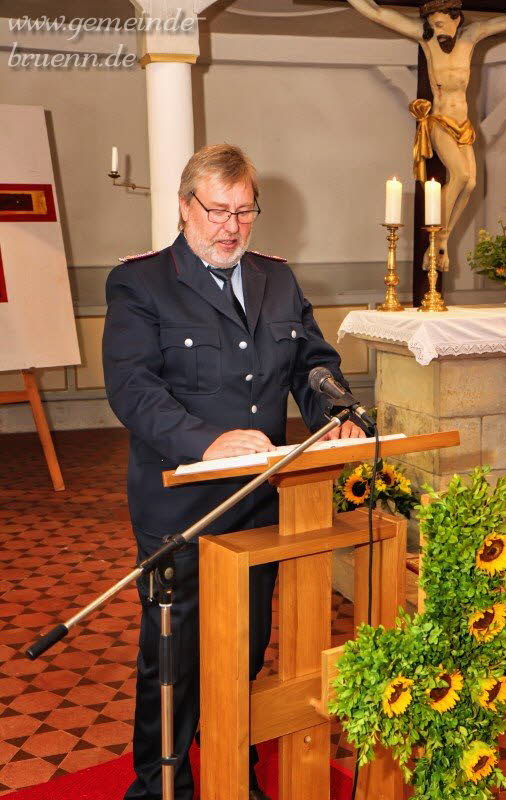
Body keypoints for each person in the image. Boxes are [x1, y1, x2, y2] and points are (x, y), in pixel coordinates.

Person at [102, 143, 364, 800]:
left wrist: (337, 412)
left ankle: (231, 773)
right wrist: (207, 441)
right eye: (216, 210)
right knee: (174, 659)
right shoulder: (141, 282)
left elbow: (311, 361)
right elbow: (133, 389)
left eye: (243, 212)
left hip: (257, 503)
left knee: (242, 652)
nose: (230, 227)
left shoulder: (277, 278)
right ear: (185, 207)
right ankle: (159, 786)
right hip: (180, 506)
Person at [345, 0, 506, 271]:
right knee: (462, 176)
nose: (437, 30)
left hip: (463, 124)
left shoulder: (471, 36)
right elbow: (378, 12)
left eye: (441, 24)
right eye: (432, 25)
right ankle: (434, 242)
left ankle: (444, 235)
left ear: (456, 19)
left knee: (469, 185)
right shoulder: (427, 40)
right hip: (439, 122)